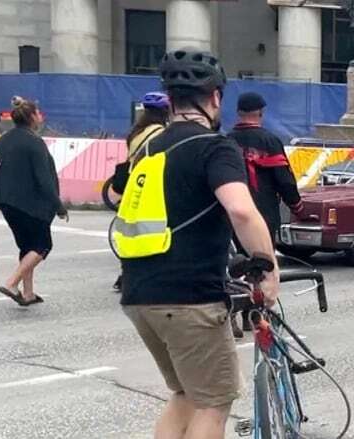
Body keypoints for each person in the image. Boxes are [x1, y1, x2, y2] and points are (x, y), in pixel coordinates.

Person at [121, 48, 279, 439]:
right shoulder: (215, 147)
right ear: (216, 98)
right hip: (190, 300)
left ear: (170, 101)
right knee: (213, 402)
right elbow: (241, 210)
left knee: (185, 394)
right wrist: (267, 266)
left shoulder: (149, 149)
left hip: (140, 296)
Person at [228, 91, 305, 337]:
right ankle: (255, 314)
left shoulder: (226, 141)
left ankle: (234, 312)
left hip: (231, 212)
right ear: (261, 112)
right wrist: (297, 206)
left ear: (239, 112)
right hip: (262, 214)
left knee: (235, 263)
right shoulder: (270, 141)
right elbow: (284, 179)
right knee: (260, 264)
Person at [0, 98, 68, 306]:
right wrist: (58, 205)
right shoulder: (35, 142)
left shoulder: (4, 139)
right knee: (43, 245)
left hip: (6, 202)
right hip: (31, 204)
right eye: (39, 113)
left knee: (27, 247)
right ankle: (11, 283)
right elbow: (44, 179)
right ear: (32, 117)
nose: (41, 117)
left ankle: (28, 293)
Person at [111, 91, 170, 292]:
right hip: (152, 185)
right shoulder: (161, 133)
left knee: (132, 232)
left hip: (133, 184)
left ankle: (126, 273)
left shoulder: (135, 132)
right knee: (154, 232)